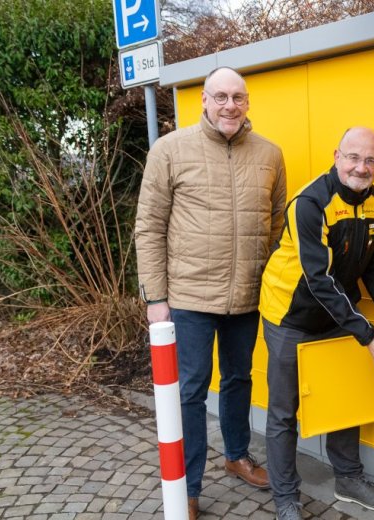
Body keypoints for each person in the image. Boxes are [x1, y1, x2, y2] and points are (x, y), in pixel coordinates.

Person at [135, 67, 287, 520]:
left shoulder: (270, 154)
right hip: (189, 298)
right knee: (191, 390)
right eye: (220, 96)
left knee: (239, 379)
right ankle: (188, 486)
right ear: (203, 100)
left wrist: (263, 275)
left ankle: (237, 456)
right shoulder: (169, 150)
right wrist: (155, 297)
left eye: (238, 97)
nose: (229, 105)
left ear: (247, 102)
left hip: (248, 296)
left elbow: (277, 223)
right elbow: (149, 226)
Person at [259, 127, 374, 520]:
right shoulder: (310, 203)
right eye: (353, 157)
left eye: (371, 160)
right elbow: (318, 279)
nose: (361, 167)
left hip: (337, 313)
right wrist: (367, 334)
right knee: (284, 410)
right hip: (290, 314)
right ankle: (285, 498)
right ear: (336, 156)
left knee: (343, 398)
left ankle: (347, 479)